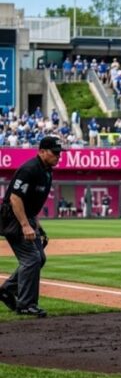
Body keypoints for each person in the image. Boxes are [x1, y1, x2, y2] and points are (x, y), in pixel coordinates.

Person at [0, 136, 62, 318]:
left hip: (26, 218)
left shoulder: (47, 170)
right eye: (55, 153)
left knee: (39, 258)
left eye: (59, 153)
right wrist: (26, 226)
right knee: (31, 259)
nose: (58, 156)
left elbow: (32, 204)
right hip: (14, 219)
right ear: (42, 151)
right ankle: (26, 304)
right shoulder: (30, 169)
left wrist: (37, 226)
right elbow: (15, 198)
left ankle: (7, 290)